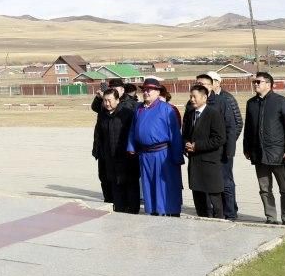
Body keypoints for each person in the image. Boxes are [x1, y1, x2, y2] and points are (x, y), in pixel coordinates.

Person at [243, 71, 285, 225]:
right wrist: (247, 148)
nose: (255, 84)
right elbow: (248, 127)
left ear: (268, 84)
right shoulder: (251, 103)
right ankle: (271, 217)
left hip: (278, 153)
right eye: (254, 81)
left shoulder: (281, 101)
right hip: (258, 153)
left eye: (258, 81)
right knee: (264, 189)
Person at [126, 79, 183, 216]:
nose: (146, 92)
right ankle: (152, 210)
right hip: (144, 154)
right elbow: (133, 129)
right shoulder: (139, 109)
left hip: (163, 154)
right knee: (148, 183)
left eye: (149, 89)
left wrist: (177, 157)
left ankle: (167, 210)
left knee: (163, 184)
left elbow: (175, 134)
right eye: (144, 89)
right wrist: (131, 146)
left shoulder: (166, 109)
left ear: (158, 92)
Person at [197, 71, 242, 220]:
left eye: (203, 84)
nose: (199, 86)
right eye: (197, 84)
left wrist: (228, 147)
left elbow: (235, 124)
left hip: (222, 151)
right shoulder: (195, 102)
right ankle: (214, 211)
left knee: (225, 182)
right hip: (203, 152)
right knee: (209, 183)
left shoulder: (225, 100)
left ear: (214, 84)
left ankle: (230, 212)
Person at [92, 88, 140, 213]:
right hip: (110, 159)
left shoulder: (127, 113)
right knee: (115, 186)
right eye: (105, 101)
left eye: (110, 100)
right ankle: (119, 210)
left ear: (118, 100)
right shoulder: (103, 115)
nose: (107, 104)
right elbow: (98, 135)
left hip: (128, 159)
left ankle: (133, 211)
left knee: (130, 186)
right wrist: (98, 151)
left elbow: (135, 134)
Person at [182, 84, 225, 218]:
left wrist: (197, 146)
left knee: (215, 200)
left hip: (209, 163)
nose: (192, 100)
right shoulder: (190, 114)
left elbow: (219, 138)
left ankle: (219, 223)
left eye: (194, 97)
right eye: (190, 97)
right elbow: (185, 134)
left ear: (204, 97)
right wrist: (186, 144)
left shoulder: (213, 113)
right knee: (199, 199)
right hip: (195, 163)